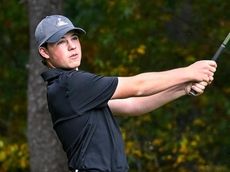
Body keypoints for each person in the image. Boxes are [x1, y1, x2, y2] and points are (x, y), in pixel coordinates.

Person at [35, 15, 217, 172]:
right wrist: (189, 72)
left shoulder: (74, 89)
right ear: (44, 52)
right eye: (61, 42)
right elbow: (139, 86)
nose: (72, 46)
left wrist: (182, 88)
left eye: (74, 38)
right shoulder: (70, 84)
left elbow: (133, 105)